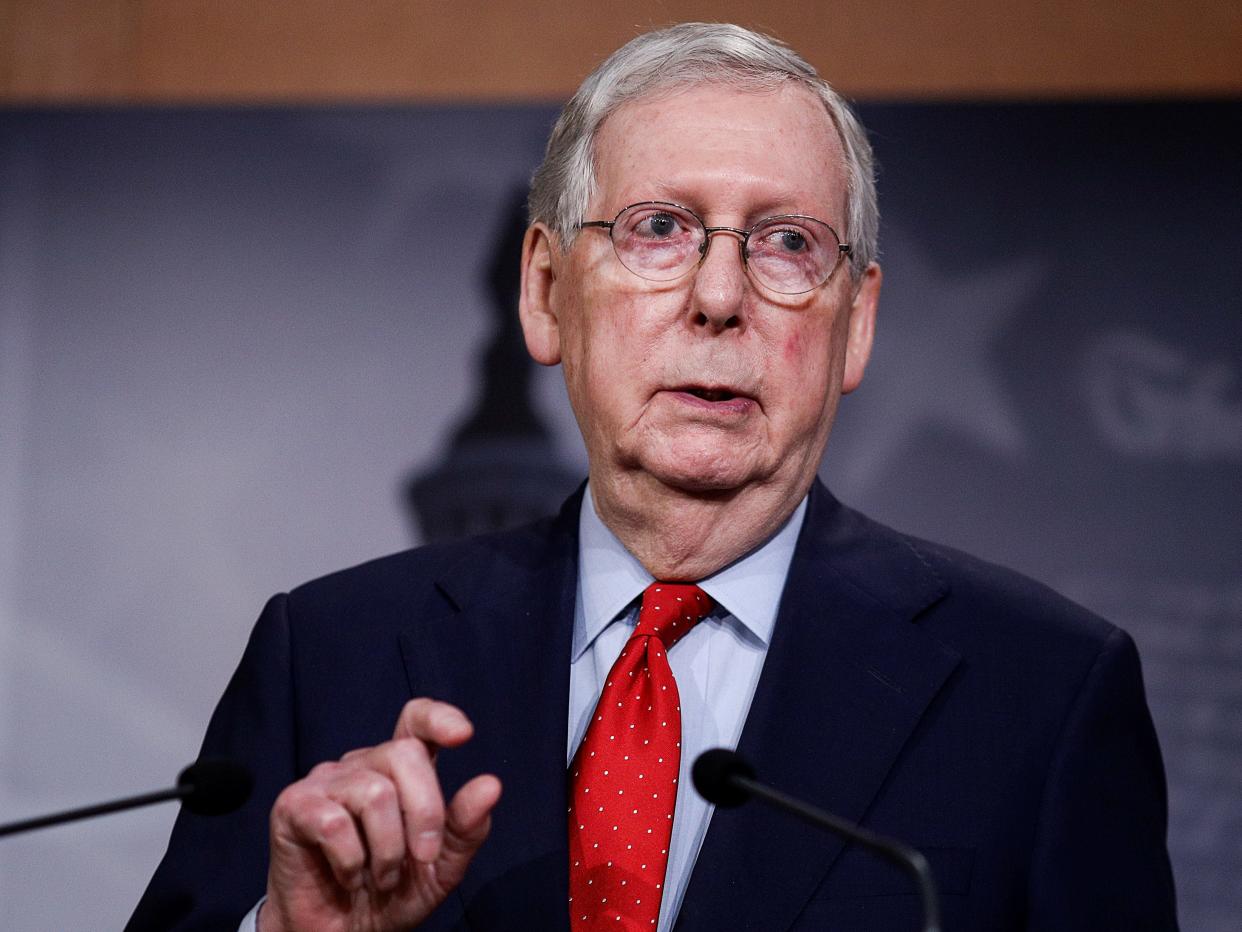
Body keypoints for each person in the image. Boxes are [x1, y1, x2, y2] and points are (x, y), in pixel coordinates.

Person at [128, 22, 1178, 932]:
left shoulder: (1040, 691)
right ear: (545, 291)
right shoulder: (331, 657)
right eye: (659, 229)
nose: (720, 296)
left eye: (787, 243)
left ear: (856, 324)